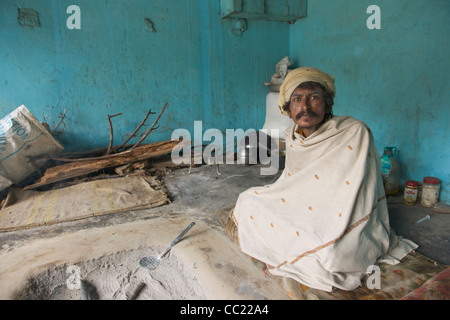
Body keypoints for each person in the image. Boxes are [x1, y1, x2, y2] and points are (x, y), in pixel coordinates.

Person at [228, 67, 416, 292]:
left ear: (329, 105)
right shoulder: (292, 136)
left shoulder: (355, 132)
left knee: (331, 256)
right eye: (297, 99)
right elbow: (293, 184)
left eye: (314, 98)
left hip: (341, 213)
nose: (305, 106)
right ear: (288, 110)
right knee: (247, 201)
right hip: (302, 206)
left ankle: (294, 247)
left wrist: (320, 223)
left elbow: (353, 195)